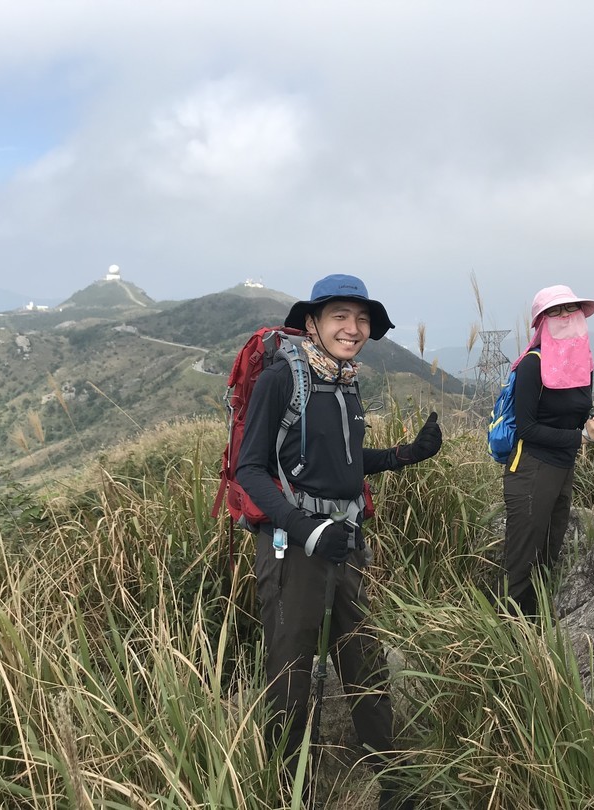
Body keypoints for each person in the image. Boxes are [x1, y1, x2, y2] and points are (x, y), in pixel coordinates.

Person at [235, 274, 441, 810]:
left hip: (344, 540)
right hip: (293, 546)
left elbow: (343, 463)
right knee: (291, 671)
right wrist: (309, 530)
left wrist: (403, 454)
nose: (353, 329)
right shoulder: (284, 378)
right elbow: (249, 470)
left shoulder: (344, 379)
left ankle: (392, 780)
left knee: (363, 658)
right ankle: (290, 792)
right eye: (340, 317)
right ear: (312, 324)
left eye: (362, 319)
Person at [500, 284, 594, 617]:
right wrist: (582, 438)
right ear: (541, 322)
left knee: (548, 553)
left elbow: (576, 411)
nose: (564, 316)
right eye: (554, 311)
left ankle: (535, 632)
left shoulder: (582, 364)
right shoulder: (532, 365)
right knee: (521, 561)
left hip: (562, 469)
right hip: (531, 468)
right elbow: (527, 428)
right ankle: (505, 639)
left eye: (570, 309)